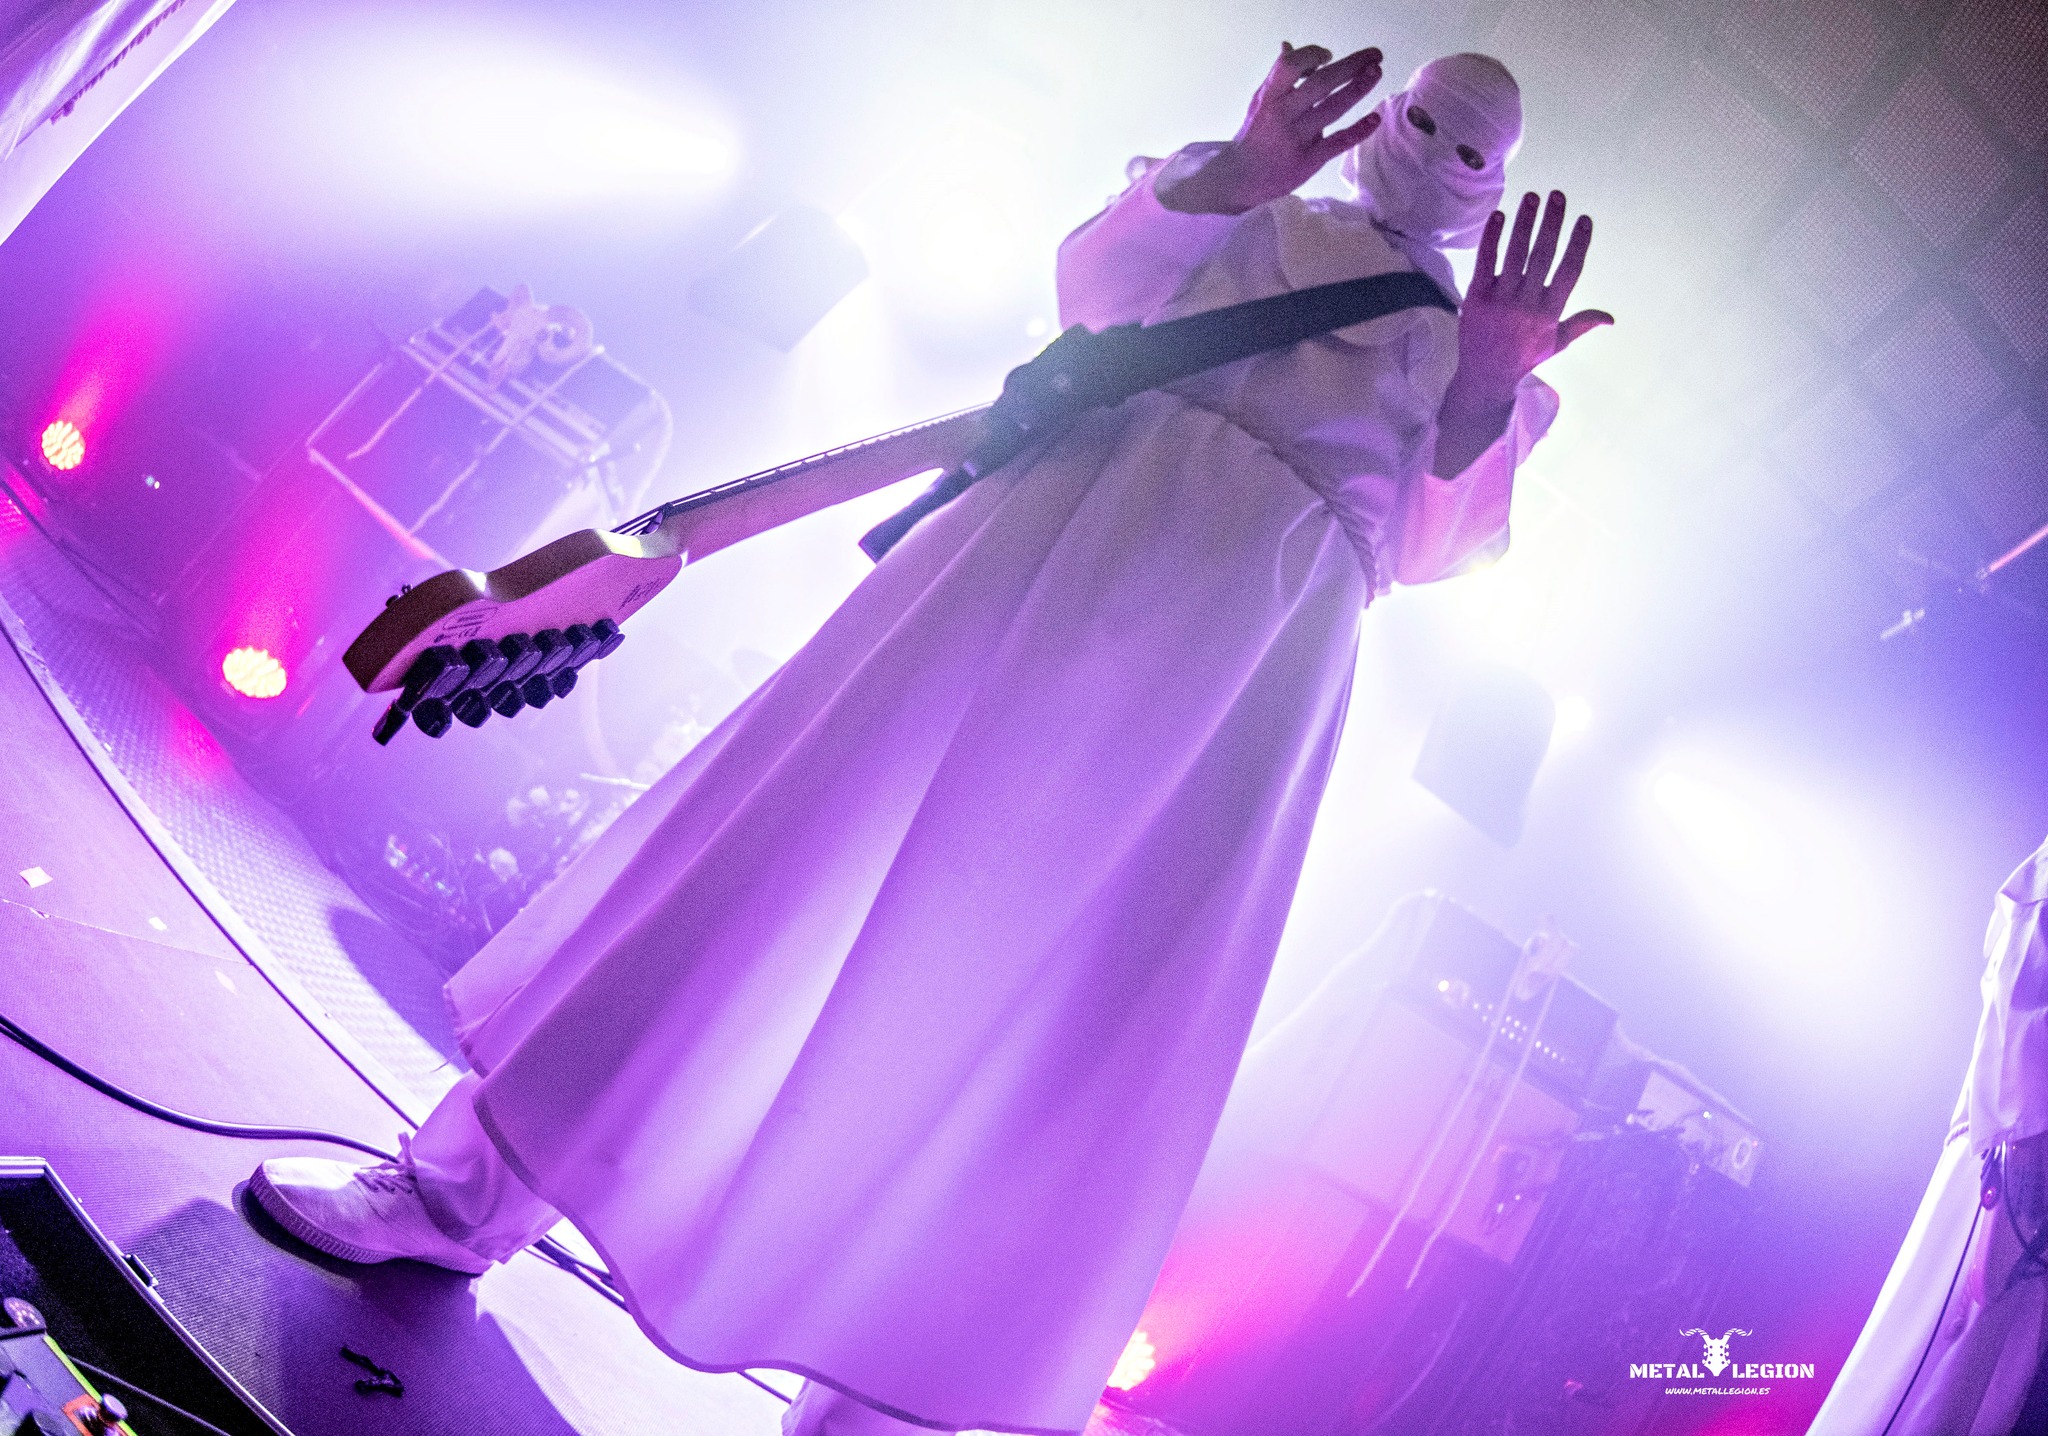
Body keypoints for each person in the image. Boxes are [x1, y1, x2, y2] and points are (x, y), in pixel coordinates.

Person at [248, 42, 1608, 1436]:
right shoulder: (1253, 209)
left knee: (1058, 1026)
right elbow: (1093, 296)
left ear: (1497, 188)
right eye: (1422, 121)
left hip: (1233, 691)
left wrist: (1488, 388)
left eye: (1467, 147)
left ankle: (884, 1405)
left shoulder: (1481, 360)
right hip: (1027, 562)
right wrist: (1243, 174)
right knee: (773, 863)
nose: (1429, 151)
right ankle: (460, 1195)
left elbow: (1440, 548)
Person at [1809, 838, 2048, 1434]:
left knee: (1989, 1389)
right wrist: (2020, 1152)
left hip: (2026, 1159)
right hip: (2012, 1156)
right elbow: (2025, 979)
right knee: (1934, 1371)